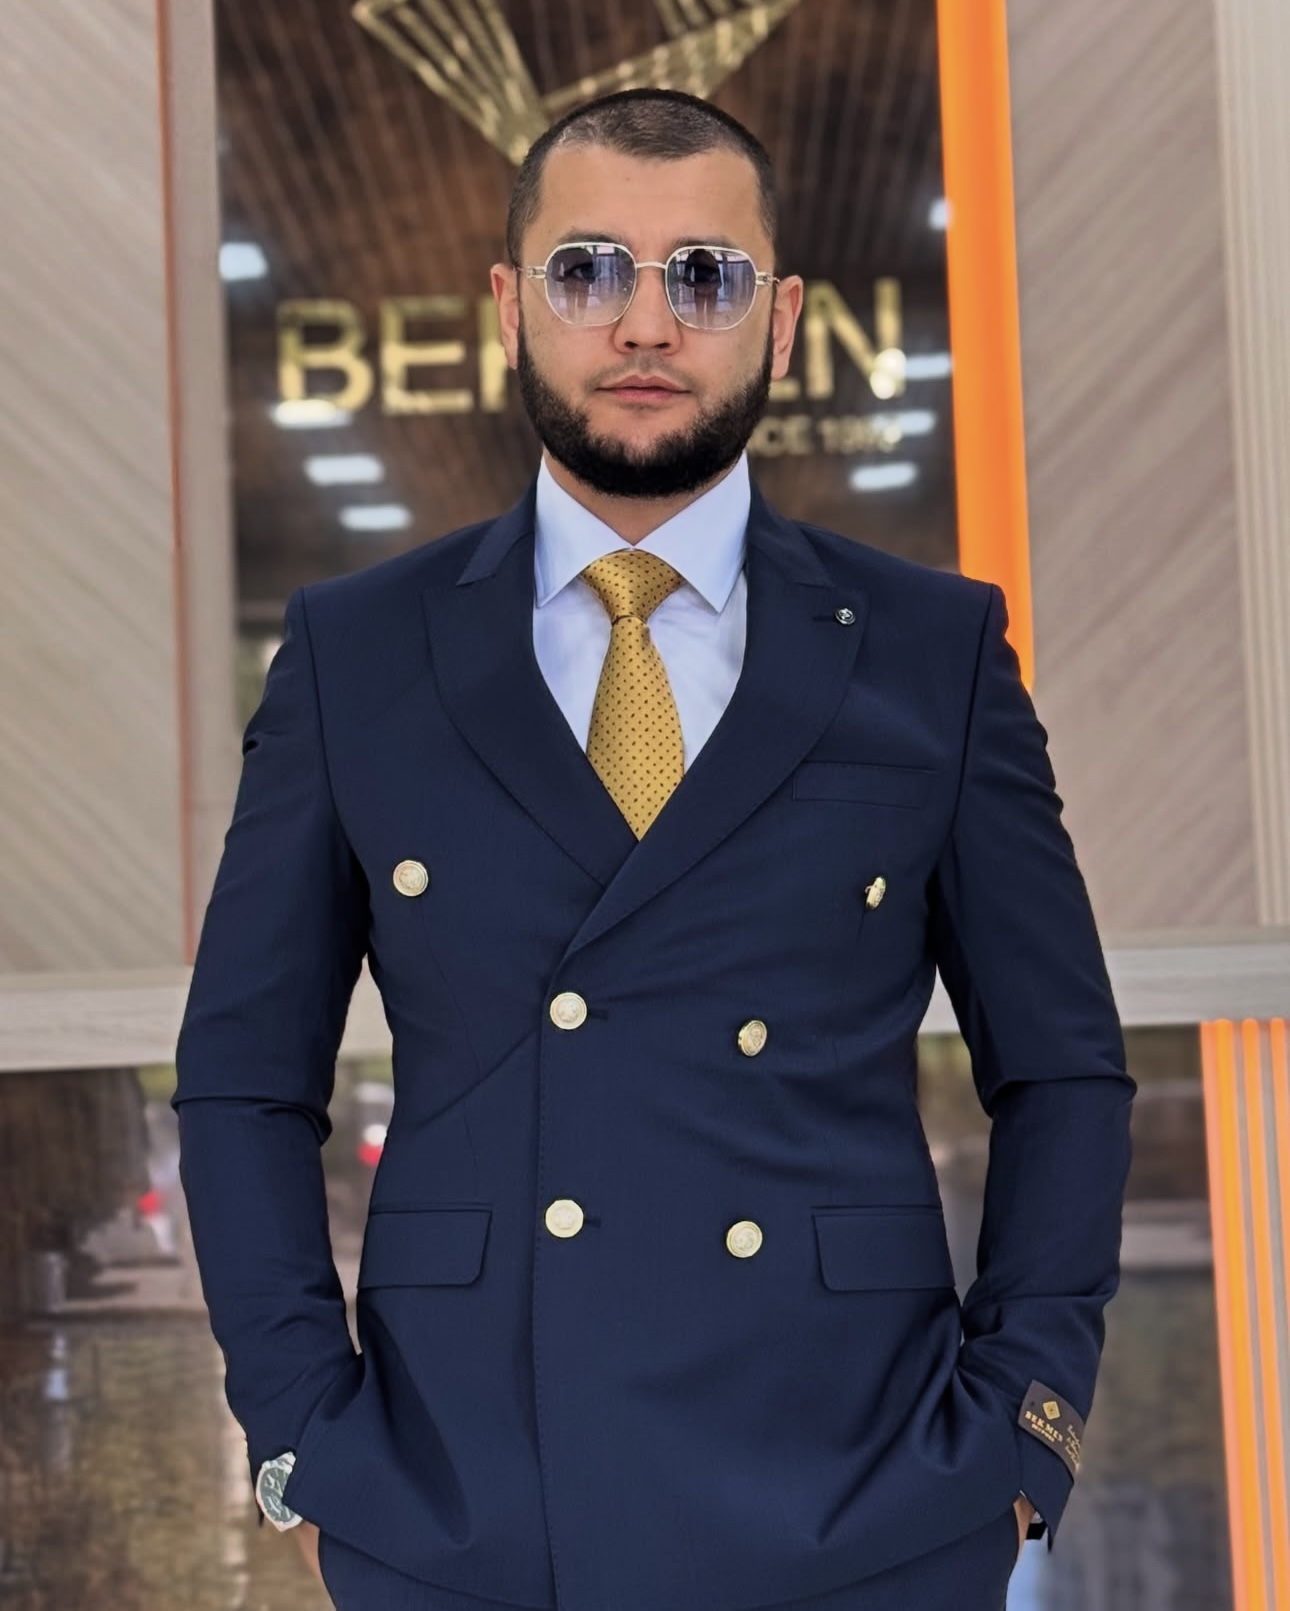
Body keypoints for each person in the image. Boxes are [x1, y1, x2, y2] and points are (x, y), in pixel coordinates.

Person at [174, 87, 1134, 1611]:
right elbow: (241, 1082)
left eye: (704, 275)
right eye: (587, 271)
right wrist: (303, 1440)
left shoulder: (930, 649)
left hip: (867, 1502)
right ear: (510, 307)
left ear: (781, 320)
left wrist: (1021, 1427)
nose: (643, 322)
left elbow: (1063, 1070)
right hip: (463, 1507)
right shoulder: (355, 654)